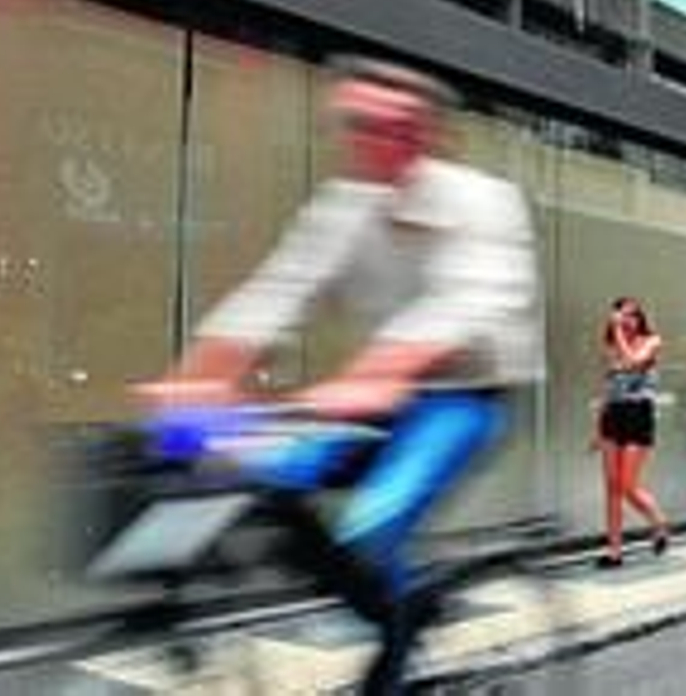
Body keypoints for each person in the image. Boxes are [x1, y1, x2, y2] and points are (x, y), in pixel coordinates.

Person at [133, 56, 538, 694]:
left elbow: (471, 300)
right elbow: (277, 292)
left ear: (428, 133)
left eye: (393, 127)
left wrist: (382, 370)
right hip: (376, 403)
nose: (373, 141)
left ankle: (397, 645)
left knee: (368, 529)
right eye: (358, 125)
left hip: (463, 399)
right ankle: (398, 607)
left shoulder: (483, 201)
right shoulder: (344, 208)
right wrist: (200, 374)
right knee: (257, 480)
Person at [594, 297, 671, 568]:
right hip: (613, 416)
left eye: (633, 315)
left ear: (641, 319)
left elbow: (633, 362)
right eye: (623, 315)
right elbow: (607, 390)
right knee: (611, 488)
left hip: (639, 415)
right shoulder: (611, 348)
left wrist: (617, 331)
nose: (628, 320)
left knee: (628, 485)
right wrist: (597, 429)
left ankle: (659, 523)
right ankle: (614, 552)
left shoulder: (652, 341)